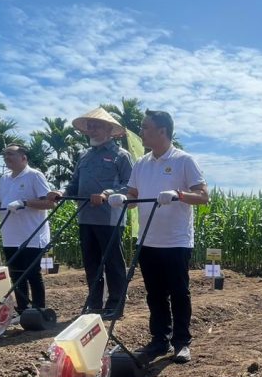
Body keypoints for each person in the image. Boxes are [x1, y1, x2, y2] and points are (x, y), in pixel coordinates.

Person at [116, 110, 208, 363]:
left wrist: (179, 195)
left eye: (145, 127)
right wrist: (122, 199)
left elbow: (203, 196)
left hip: (176, 240)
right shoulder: (141, 164)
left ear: (162, 131)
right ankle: (159, 340)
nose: (141, 132)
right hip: (148, 239)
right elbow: (133, 196)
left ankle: (182, 342)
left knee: (179, 292)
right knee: (154, 294)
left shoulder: (184, 160)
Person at [46, 107, 133, 318]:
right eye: (90, 126)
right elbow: (74, 184)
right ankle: (94, 303)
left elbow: (130, 186)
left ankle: (115, 306)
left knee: (113, 263)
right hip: (85, 217)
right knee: (91, 263)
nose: (92, 130)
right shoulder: (84, 156)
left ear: (109, 130)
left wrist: (106, 193)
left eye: (97, 126)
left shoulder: (121, 156)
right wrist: (61, 192)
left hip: (110, 218)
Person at [0, 144, 55, 313]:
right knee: (16, 274)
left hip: (32, 235)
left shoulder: (34, 175)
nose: (7, 157)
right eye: (5, 155)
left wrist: (25, 203)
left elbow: (49, 203)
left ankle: (39, 309)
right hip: (10, 235)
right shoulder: (4, 179)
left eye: (11, 154)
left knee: (32, 273)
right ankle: (22, 309)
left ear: (23, 157)